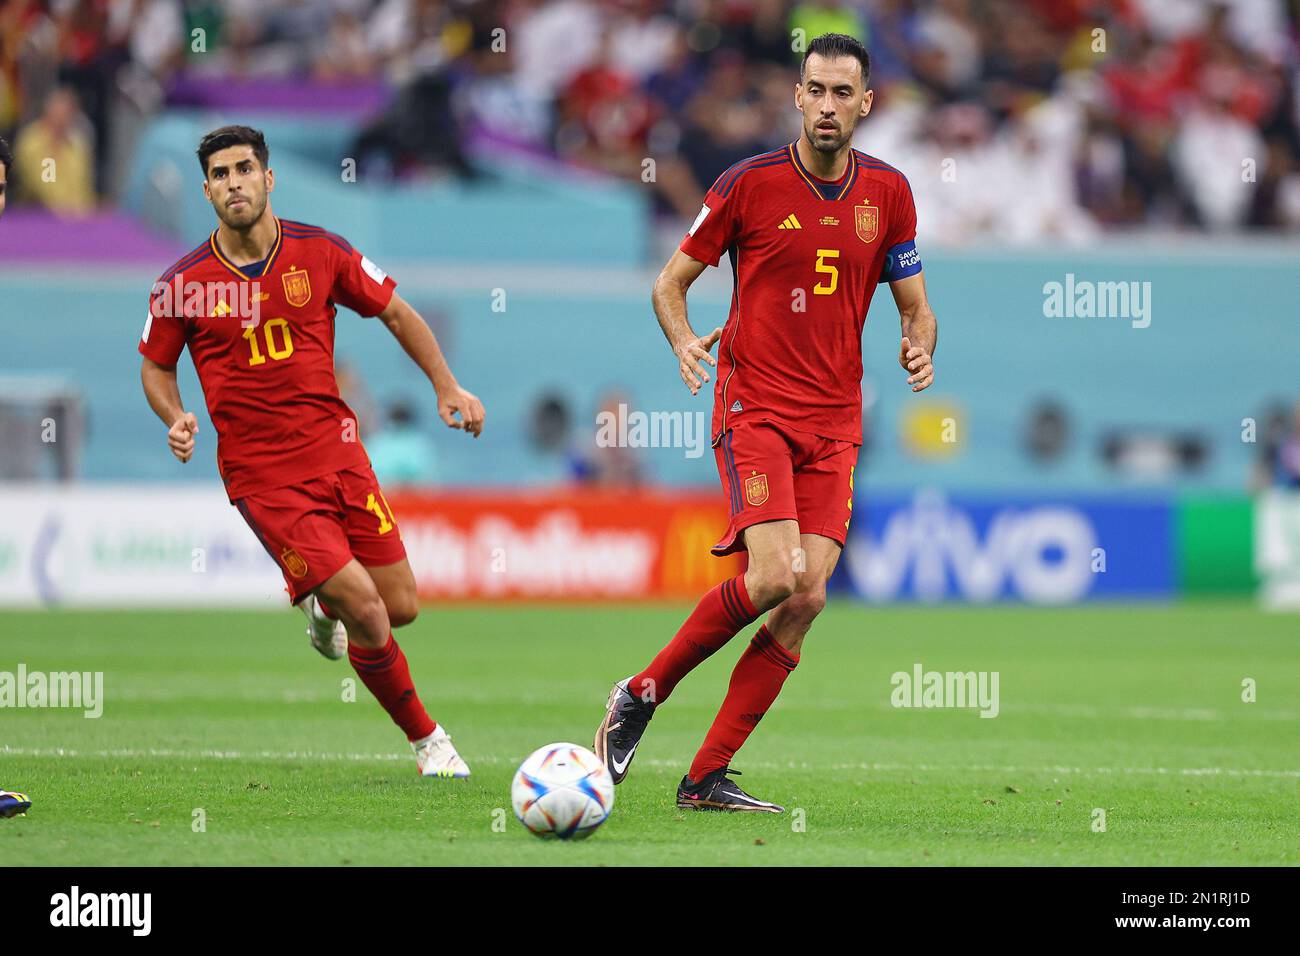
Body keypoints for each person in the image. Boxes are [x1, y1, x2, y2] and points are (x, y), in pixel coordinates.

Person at [594, 34, 938, 812]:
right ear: (796, 95)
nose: (826, 106)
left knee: (808, 597)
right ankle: (640, 693)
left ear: (865, 104)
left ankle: (704, 778)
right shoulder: (747, 185)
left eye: (841, 94)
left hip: (837, 420)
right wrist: (684, 340)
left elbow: (917, 307)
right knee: (778, 572)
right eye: (814, 90)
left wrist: (918, 346)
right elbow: (670, 282)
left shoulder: (889, 193)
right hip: (756, 407)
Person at [138, 125, 486, 778]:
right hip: (264, 480)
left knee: (401, 605)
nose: (234, 182)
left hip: (341, 457)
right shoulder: (180, 284)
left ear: (269, 179)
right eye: (220, 173)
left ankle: (318, 602)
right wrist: (176, 414)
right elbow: (155, 367)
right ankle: (429, 742)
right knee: (368, 608)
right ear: (206, 189)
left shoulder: (320, 252)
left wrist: (447, 386)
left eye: (245, 169)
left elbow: (398, 313)